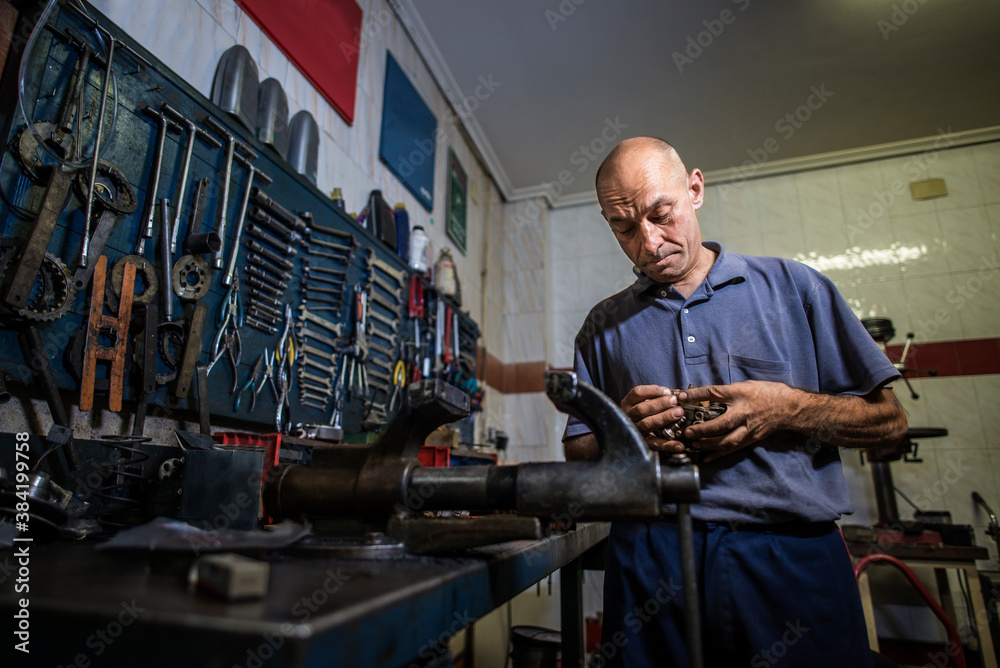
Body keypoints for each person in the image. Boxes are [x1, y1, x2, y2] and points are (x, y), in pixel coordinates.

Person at [563, 137, 908, 667]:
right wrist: (622, 435)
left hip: (790, 559)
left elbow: (890, 422)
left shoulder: (796, 289)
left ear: (695, 189)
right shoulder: (602, 328)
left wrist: (787, 408)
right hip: (650, 563)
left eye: (661, 214)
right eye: (623, 227)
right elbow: (579, 456)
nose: (649, 243)